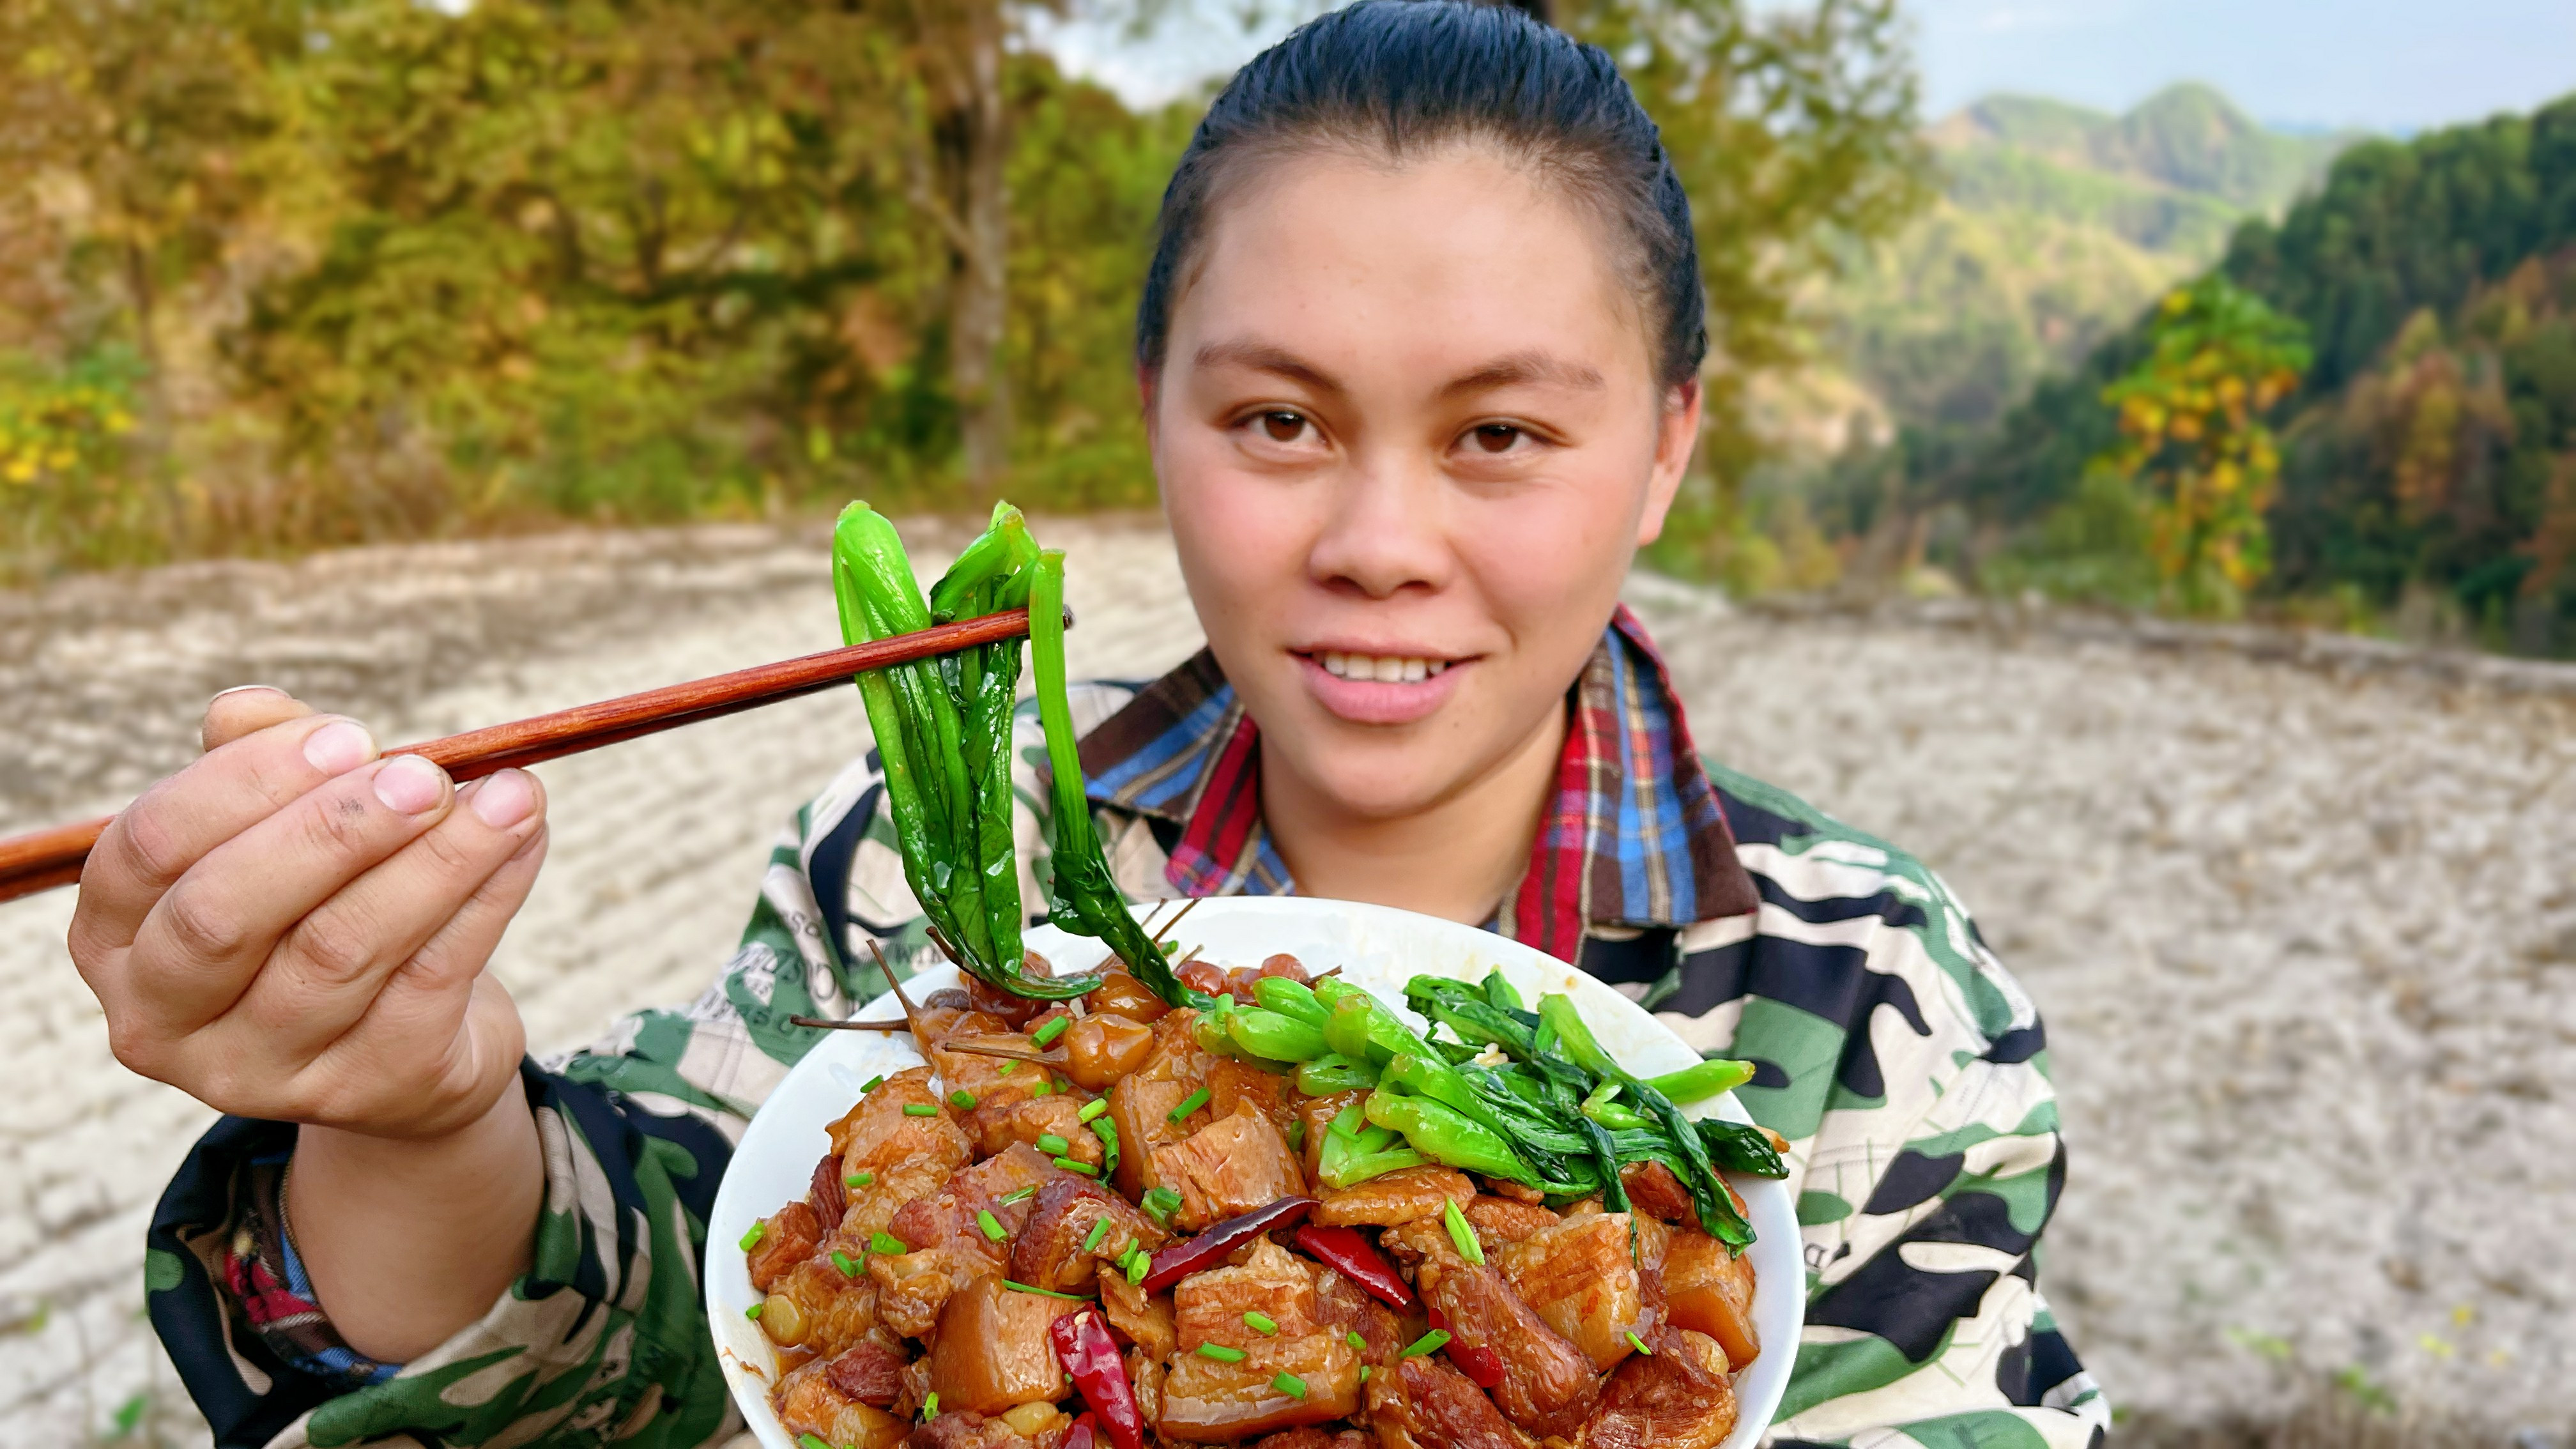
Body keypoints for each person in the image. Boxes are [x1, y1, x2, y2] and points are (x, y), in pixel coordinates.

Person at [70, 4, 2108, 1445]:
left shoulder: (1869, 989)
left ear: (1665, 448)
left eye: (1501, 433)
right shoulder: (930, 863)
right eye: (1279, 419)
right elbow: (659, 1322)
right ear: (1156, 417)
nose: (1378, 543)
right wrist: (418, 1114)